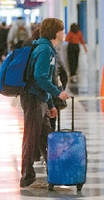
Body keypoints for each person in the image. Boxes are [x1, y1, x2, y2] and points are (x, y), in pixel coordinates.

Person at [19, 18, 70, 188]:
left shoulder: (47, 48)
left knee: (46, 137)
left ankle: (54, 171)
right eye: (62, 30)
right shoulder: (45, 50)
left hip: (39, 98)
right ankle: (26, 175)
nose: (63, 33)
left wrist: (50, 104)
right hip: (33, 99)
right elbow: (40, 76)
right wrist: (57, 93)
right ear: (55, 32)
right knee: (31, 137)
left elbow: (43, 78)